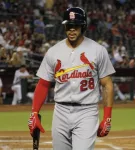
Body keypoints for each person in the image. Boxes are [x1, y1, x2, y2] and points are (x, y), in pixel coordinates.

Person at [28, 7, 115, 150]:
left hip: (87, 112)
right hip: (60, 111)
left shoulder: (98, 50)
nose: (72, 30)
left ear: (83, 26)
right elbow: (43, 84)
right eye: (69, 26)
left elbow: (107, 85)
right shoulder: (54, 52)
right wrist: (34, 113)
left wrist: (107, 117)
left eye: (76, 26)